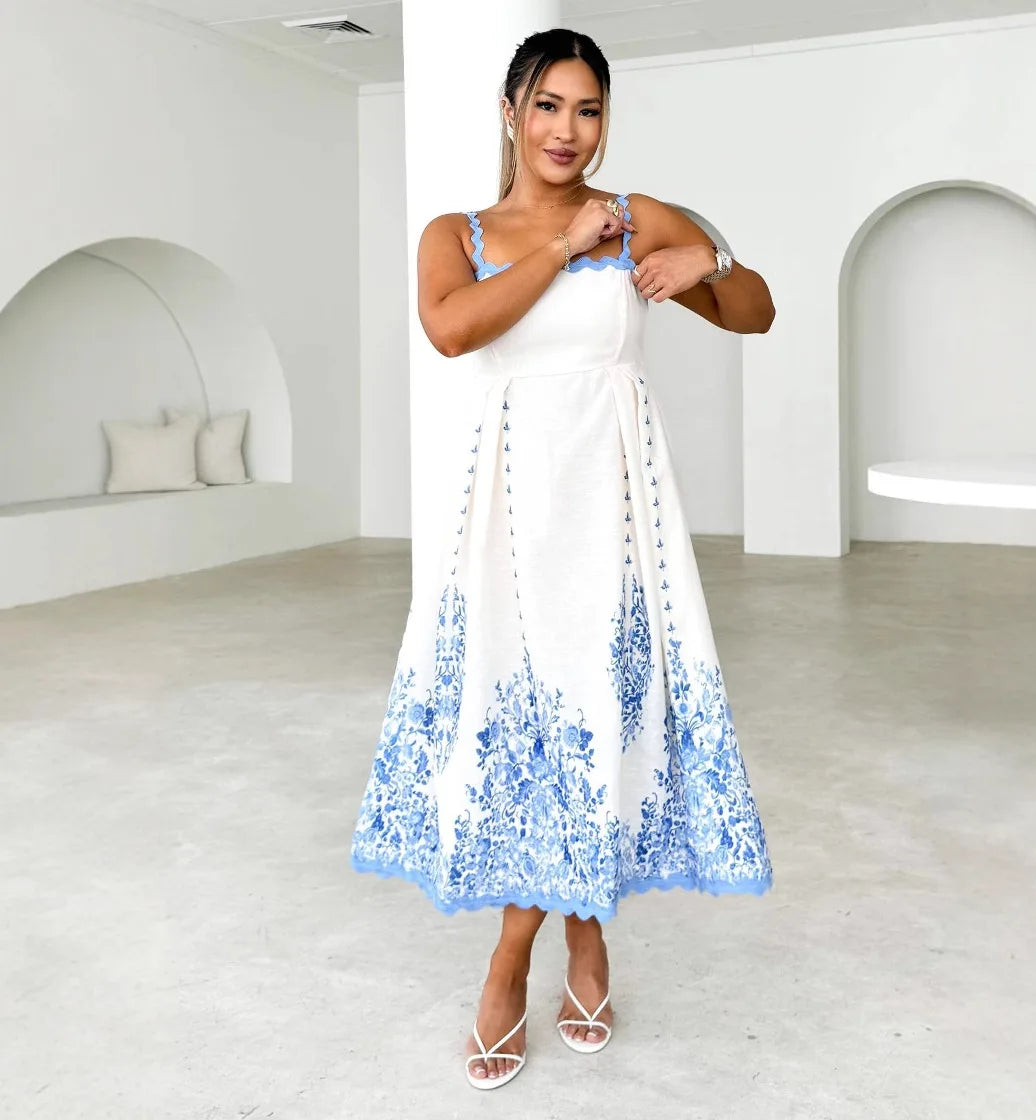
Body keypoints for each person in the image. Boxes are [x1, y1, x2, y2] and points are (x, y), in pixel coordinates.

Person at [350, 27, 776, 1090]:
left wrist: (706, 263)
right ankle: (528, 951)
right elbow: (451, 330)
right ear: (510, 110)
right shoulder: (458, 231)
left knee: (600, 714)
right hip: (508, 511)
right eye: (548, 106)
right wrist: (559, 245)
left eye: (587, 110)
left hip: (617, 508)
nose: (566, 130)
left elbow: (756, 312)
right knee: (523, 722)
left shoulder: (639, 218)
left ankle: (562, 945)